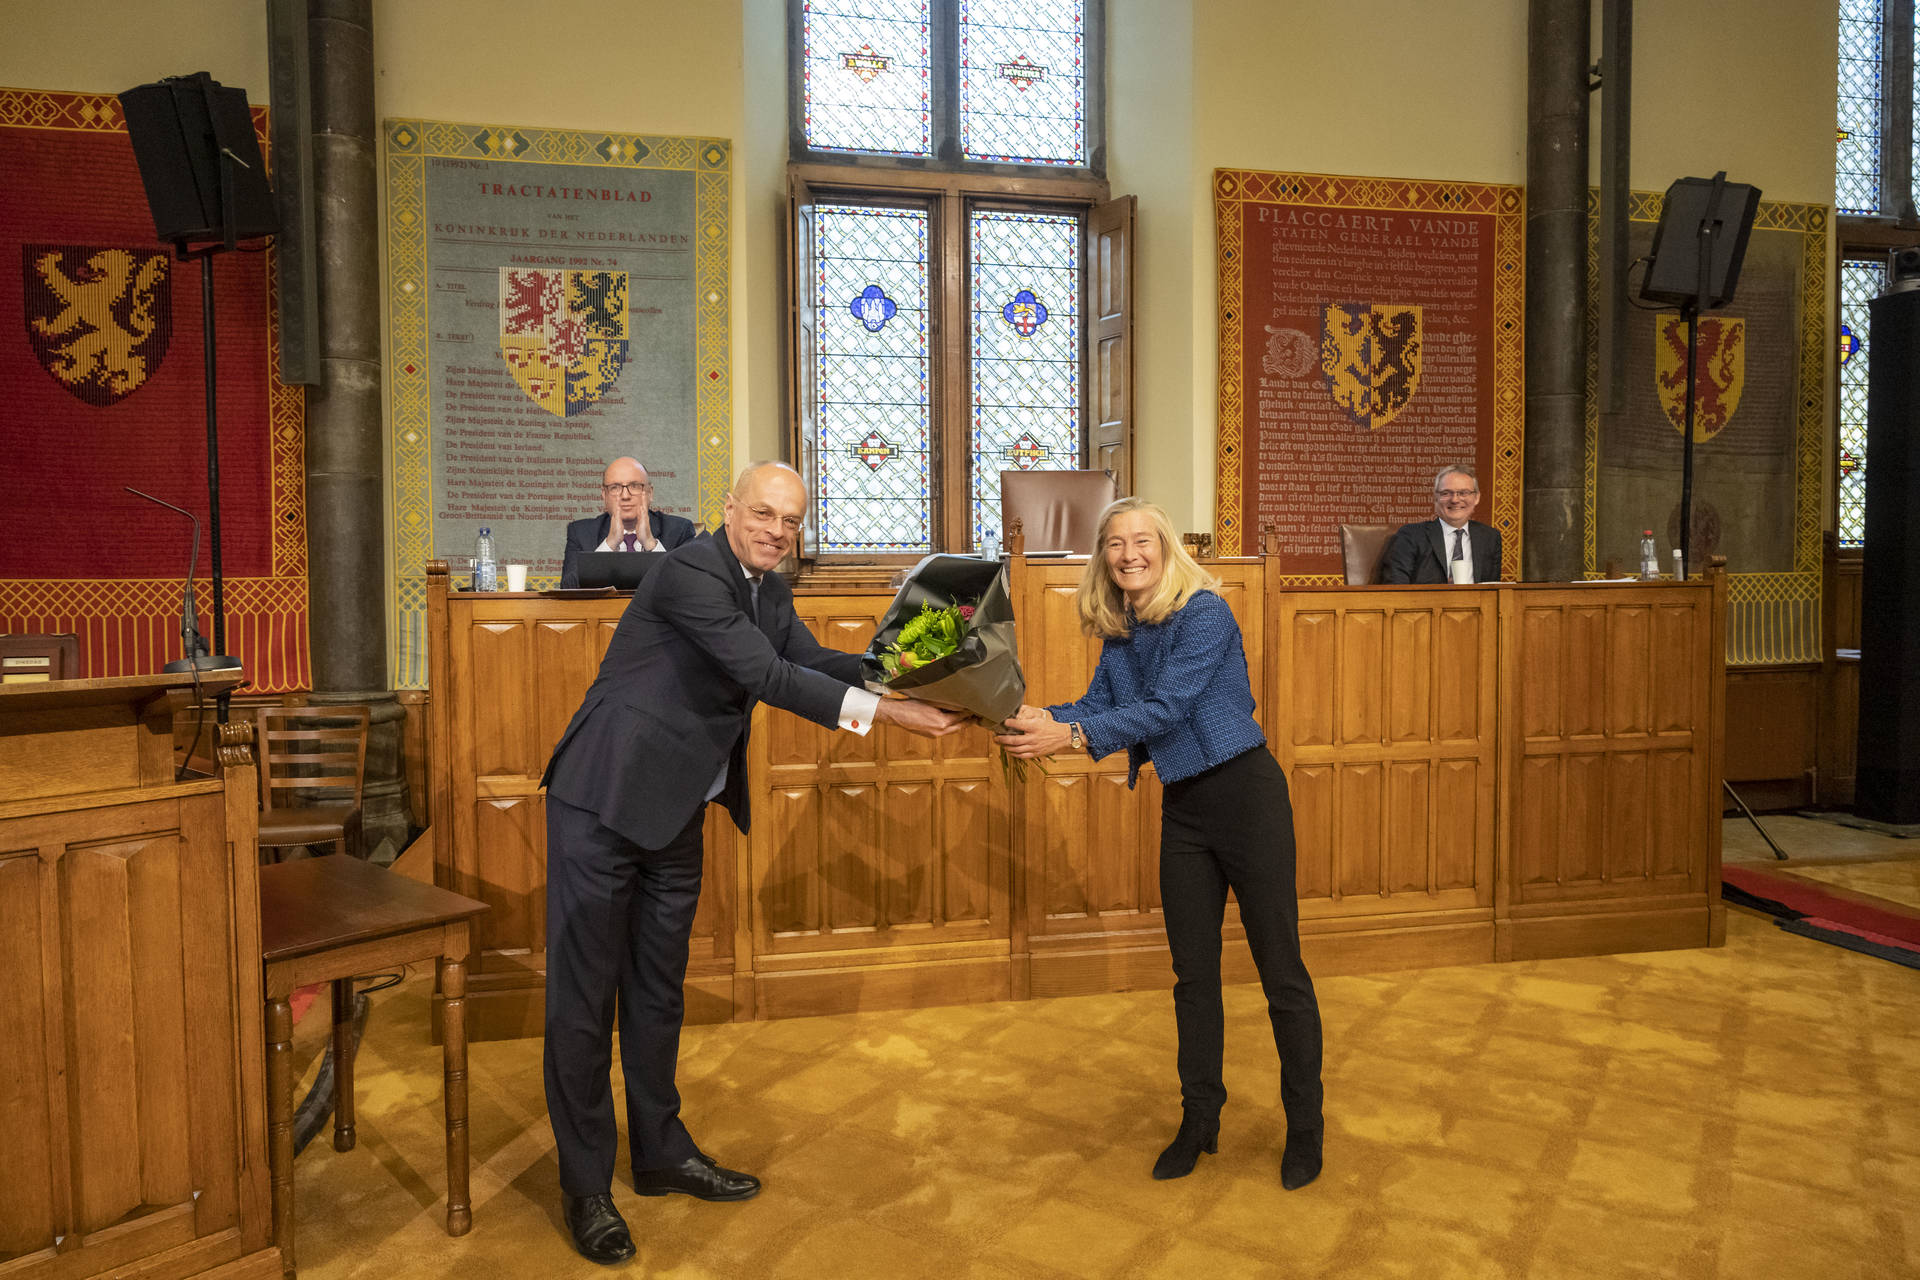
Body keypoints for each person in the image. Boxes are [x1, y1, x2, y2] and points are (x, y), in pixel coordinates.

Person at [539, 461, 966, 1264]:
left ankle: (660, 1154)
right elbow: (766, 676)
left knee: (658, 993)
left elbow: (814, 658)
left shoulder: (767, 590)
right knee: (585, 1002)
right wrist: (893, 716)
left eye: (792, 521)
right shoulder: (689, 570)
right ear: (730, 509)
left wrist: (917, 670)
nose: (778, 531)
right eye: (764, 513)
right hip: (602, 802)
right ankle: (587, 1185)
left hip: (676, 811)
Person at [995, 497, 1325, 1190]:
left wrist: (1068, 736)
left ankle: (1305, 1126)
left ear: (1166, 547)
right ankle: (1200, 1120)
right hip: (1185, 810)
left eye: (1142, 540)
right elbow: (1100, 707)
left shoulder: (1205, 612)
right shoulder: (1123, 629)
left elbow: (1167, 709)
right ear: (1103, 558)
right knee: (1193, 977)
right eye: (1115, 543)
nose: (1129, 554)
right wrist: (1032, 716)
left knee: (1281, 972)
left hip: (1247, 799)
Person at [559, 456, 696, 588]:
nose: (625, 496)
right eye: (615, 487)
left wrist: (650, 543)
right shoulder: (580, 532)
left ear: (650, 493)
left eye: (635, 486)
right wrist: (609, 545)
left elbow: (689, 587)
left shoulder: (680, 530)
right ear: (604, 495)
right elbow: (568, 587)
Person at [1377, 463, 1502, 584]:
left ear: (1477, 498)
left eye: (1464, 493)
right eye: (1446, 493)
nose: (1455, 500)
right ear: (1435, 498)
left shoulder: (1490, 538)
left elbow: (1492, 588)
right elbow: (1396, 587)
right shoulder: (1411, 536)